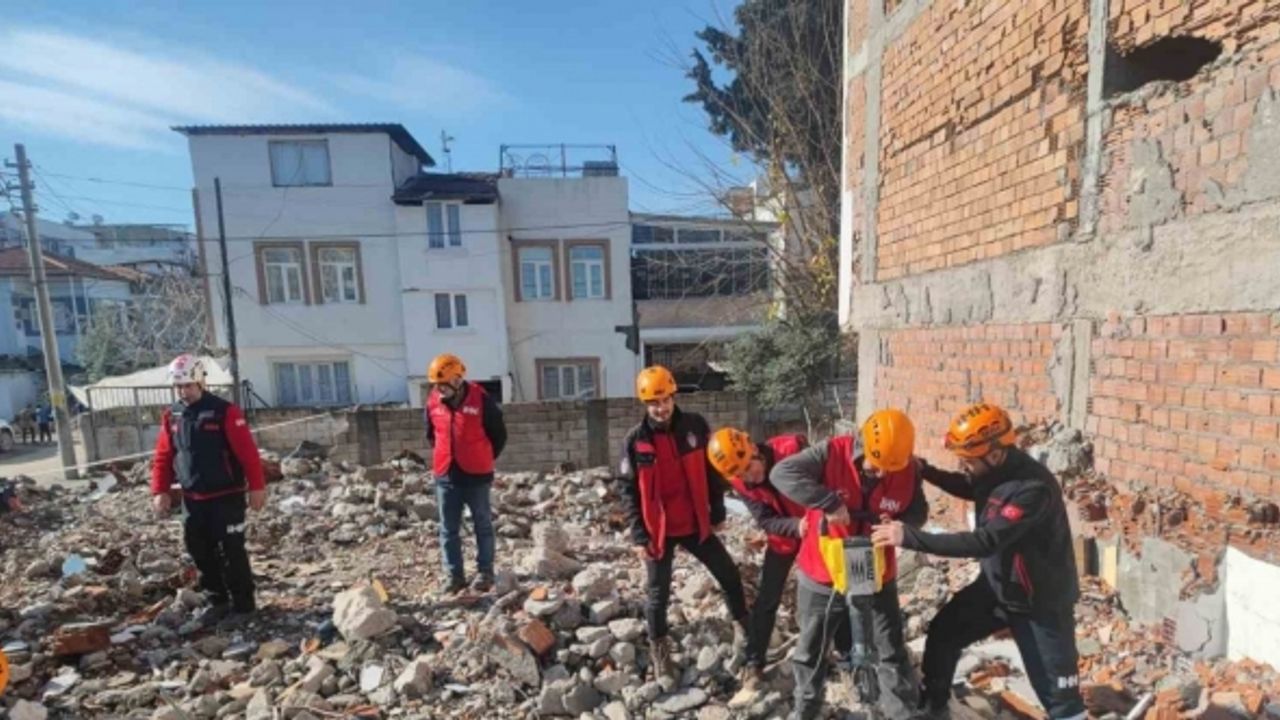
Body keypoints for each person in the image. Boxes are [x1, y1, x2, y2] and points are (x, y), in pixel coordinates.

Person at [871, 403, 1086, 720]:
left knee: (1060, 699)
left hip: (1040, 603)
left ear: (995, 454)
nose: (964, 466)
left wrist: (909, 537)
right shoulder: (994, 471)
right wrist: (926, 471)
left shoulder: (1032, 489)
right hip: (997, 590)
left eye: (968, 461)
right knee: (944, 633)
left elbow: (985, 542)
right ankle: (935, 707)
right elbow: (972, 486)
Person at [771, 409, 926, 720]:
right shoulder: (830, 453)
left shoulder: (909, 468)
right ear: (863, 444)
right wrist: (828, 502)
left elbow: (918, 512)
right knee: (812, 649)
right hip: (824, 570)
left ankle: (901, 712)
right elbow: (781, 474)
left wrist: (901, 524)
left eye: (889, 469)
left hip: (876, 570)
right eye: (875, 466)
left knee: (890, 648)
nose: (880, 474)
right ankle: (806, 710)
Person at [619, 365, 749, 680]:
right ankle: (660, 653)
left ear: (674, 396)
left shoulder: (695, 427)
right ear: (645, 404)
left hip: (696, 524)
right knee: (657, 595)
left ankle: (745, 631)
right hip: (658, 532)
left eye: (665, 400)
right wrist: (639, 536)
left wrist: (718, 511)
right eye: (654, 403)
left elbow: (713, 471)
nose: (661, 408)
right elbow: (627, 490)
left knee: (729, 575)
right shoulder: (636, 441)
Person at [152, 354, 267, 626]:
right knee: (200, 551)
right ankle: (218, 601)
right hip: (193, 499)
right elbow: (164, 456)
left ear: (200, 382)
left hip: (226, 496)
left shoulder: (224, 411)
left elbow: (248, 454)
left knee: (232, 552)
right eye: (179, 387)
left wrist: (257, 487)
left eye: (188, 385)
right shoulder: (172, 415)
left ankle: (244, 606)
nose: (183, 391)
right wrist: (160, 490)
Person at [706, 427, 818, 702]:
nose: (749, 477)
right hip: (785, 536)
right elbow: (765, 518)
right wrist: (796, 526)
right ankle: (754, 662)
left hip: (819, 531)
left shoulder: (792, 450)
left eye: (749, 468)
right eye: (740, 475)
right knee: (767, 599)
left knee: (831, 589)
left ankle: (846, 651)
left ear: (754, 450)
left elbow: (826, 481)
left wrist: (816, 521)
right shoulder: (740, 480)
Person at [424, 353, 507, 594]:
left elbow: (499, 435)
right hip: (446, 475)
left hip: (476, 475)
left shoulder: (481, 399)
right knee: (448, 528)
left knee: (482, 524)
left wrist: (482, 456)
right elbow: (431, 435)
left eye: (443, 385)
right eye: (436, 385)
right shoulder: (433, 402)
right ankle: (454, 576)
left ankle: (485, 572)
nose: (439, 390)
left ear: (457, 380)